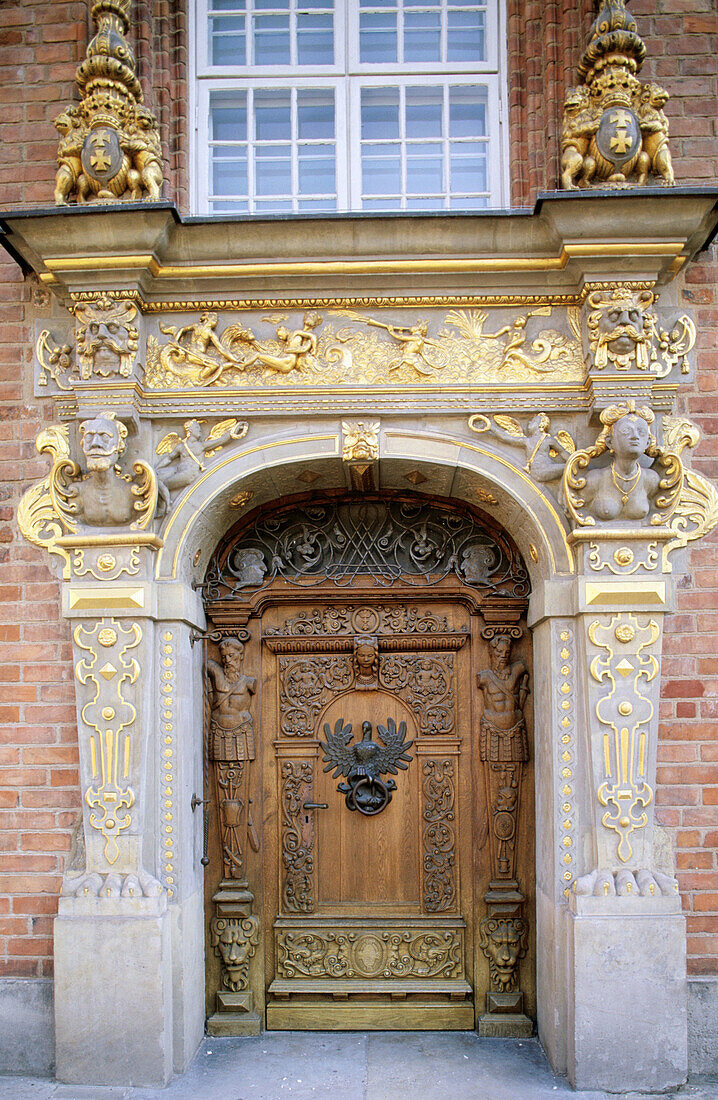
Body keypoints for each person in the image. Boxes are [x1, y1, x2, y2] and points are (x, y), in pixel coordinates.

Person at [476, 635, 529, 764]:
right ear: (491, 652)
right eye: (499, 651)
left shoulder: (518, 669)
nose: (503, 655)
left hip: (515, 724)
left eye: (507, 652)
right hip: (492, 725)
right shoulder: (484, 677)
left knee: (518, 767)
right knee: (489, 765)